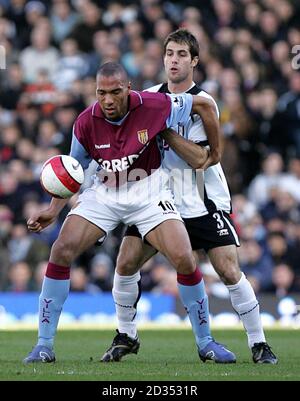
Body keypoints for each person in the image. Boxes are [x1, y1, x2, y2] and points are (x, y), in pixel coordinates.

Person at [23, 62, 236, 364]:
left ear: (128, 88)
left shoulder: (156, 105)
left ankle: (206, 343)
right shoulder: (85, 122)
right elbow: (73, 170)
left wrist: (215, 152)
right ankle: (44, 345)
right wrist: (53, 209)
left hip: (149, 190)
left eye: (114, 92)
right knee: (61, 249)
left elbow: (203, 103)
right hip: (105, 191)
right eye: (101, 93)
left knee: (184, 258)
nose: (107, 100)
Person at [101, 30, 278, 365]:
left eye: (182, 54)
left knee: (228, 269)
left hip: (202, 199)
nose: (174, 60)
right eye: (170, 53)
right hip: (158, 201)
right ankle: (126, 335)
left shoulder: (204, 103)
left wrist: (161, 127)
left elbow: (201, 159)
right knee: (125, 262)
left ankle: (259, 343)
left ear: (194, 61)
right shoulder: (149, 98)